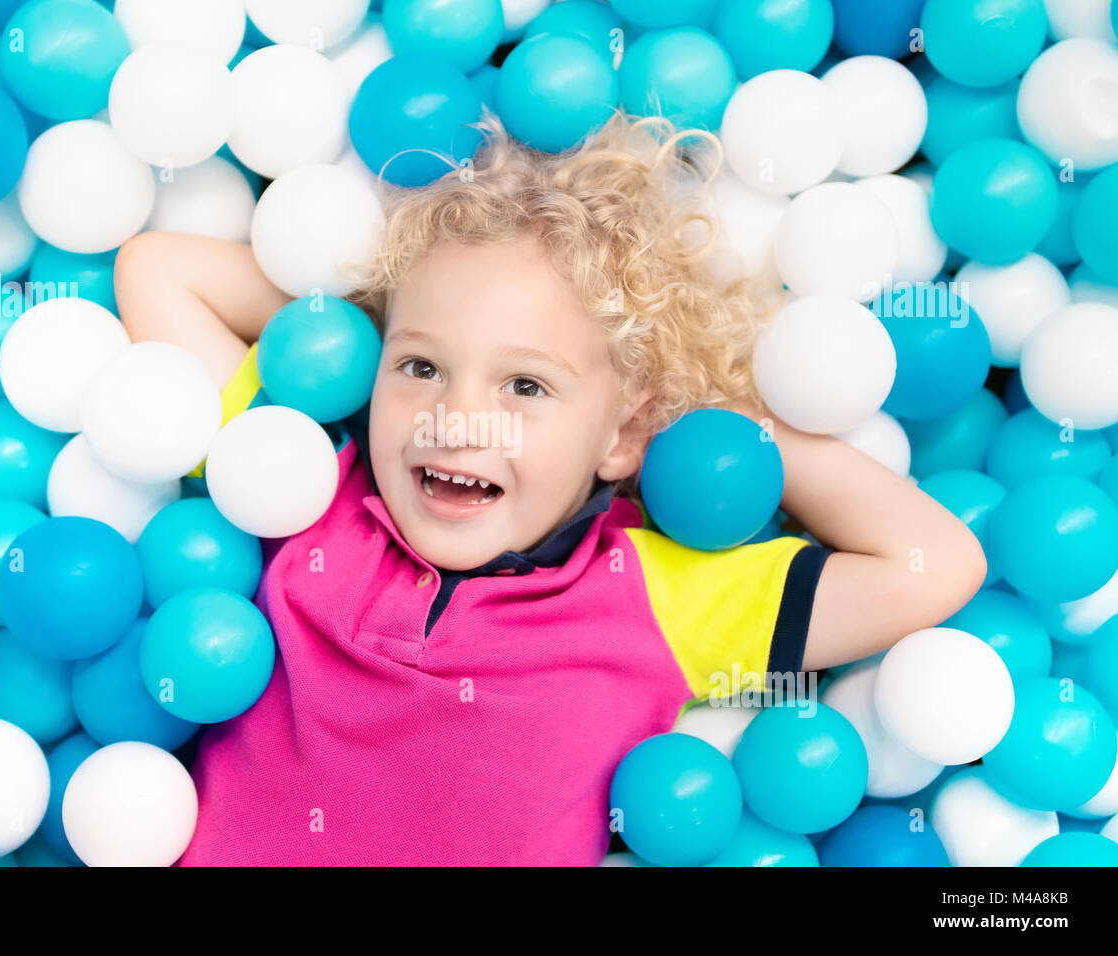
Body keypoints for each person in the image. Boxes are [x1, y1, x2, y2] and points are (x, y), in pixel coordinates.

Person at [113, 109, 986, 865]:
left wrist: (729, 430)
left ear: (625, 435)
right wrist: (364, 325)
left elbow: (934, 565)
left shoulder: (652, 595)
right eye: (422, 367)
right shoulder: (300, 495)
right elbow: (157, 272)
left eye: (524, 387)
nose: (458, 420)